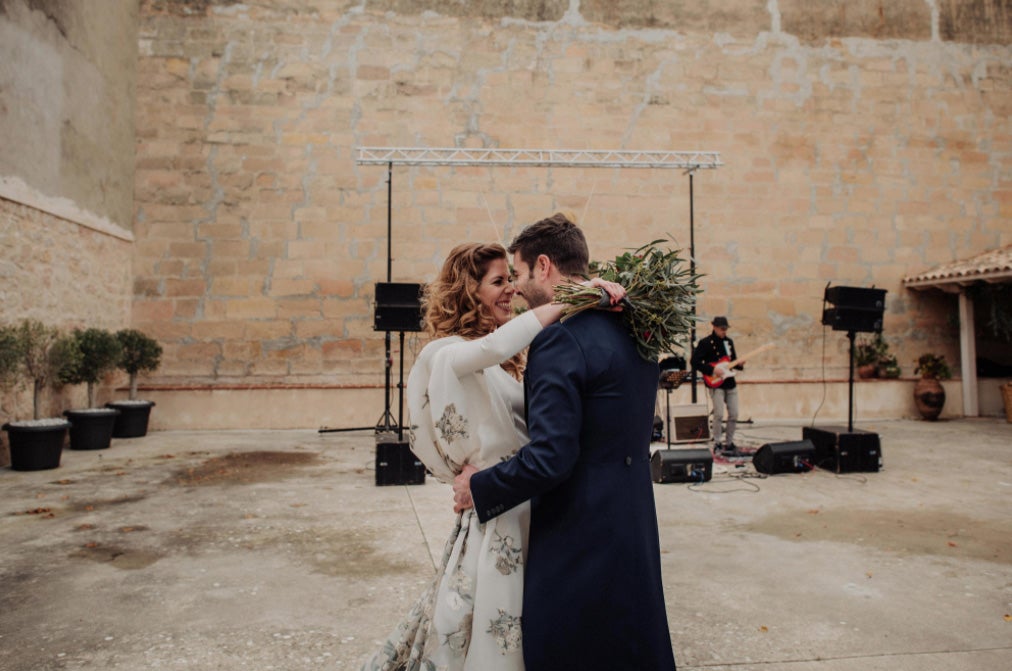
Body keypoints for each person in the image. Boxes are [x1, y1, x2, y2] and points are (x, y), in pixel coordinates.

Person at [361, 241, 625, 671]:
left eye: (510, 280)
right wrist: (578, 296)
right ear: (468, 291)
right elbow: (489, 349)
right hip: (498, 514)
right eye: (498, 282)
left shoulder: (511, 359)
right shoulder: (444, 354)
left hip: (529, 503)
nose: (511, 292)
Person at [452, 213, 677, 671]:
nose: (516, 287)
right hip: (632, 520)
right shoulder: (634, 330)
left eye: (517, 273)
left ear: (544, 266)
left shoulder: (559, 341)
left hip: (580, 533)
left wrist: (480, 488)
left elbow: (552, 457)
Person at [690, 316, 742, 454]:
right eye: (721, 329)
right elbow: (695, 362)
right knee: (718, 414)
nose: (724, 331)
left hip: (730, 382)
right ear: (714, 327)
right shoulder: (706, 343)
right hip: (715, 383)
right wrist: (712, 370)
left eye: (725, 329)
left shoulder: (729, 342)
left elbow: (732, 361)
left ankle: (729, 442)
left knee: (734, 413)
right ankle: (717, 441)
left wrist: (739, 364)